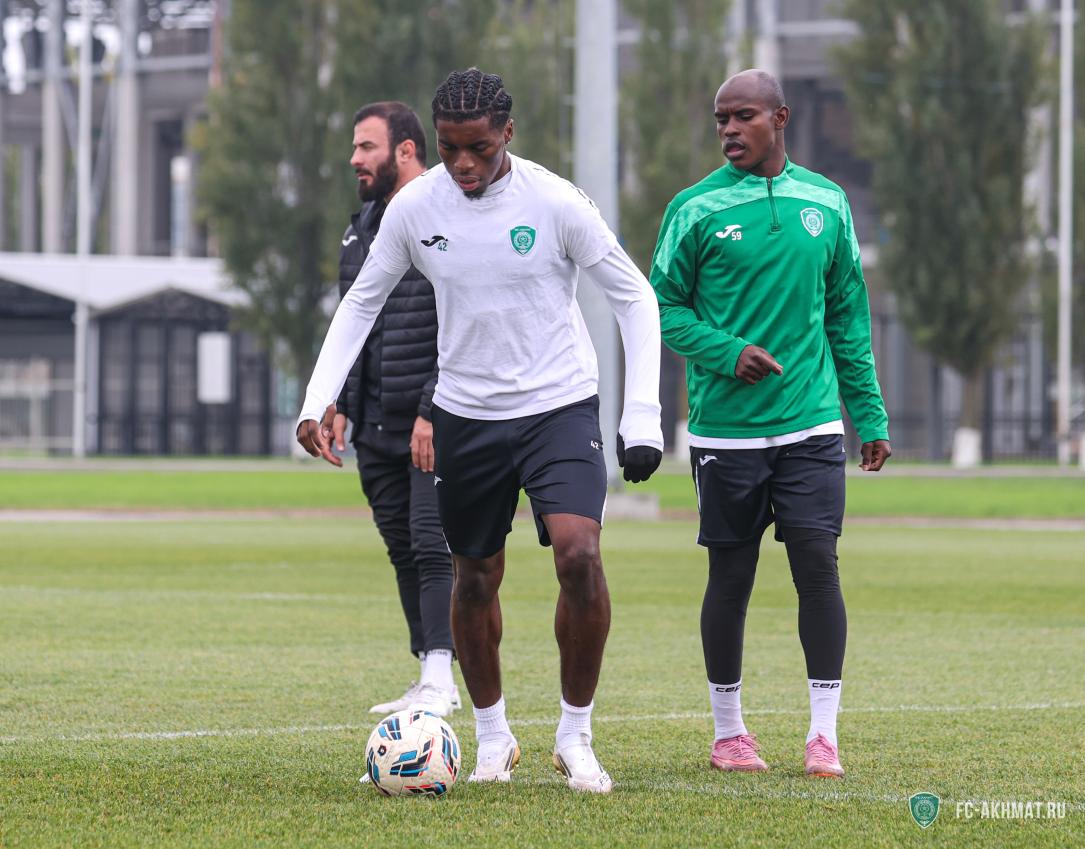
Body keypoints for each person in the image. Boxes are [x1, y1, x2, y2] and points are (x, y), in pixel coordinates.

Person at [298, 69, 664, 793]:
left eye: (480, 148)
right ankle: (494, 739)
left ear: (508, 134)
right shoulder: (414, 209)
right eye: (450, 148)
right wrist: (317, 399)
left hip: (558, 406)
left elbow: (634, 297)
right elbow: (361, 303)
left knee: (579, 555)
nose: (464, 164)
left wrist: (642, 414)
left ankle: (575, 736)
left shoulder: (555, 202)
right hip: (465, 414)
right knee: (472, 579)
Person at [650, 70, 891, 779]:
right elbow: (658, 307)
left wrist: (868, 413)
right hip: (725, 433)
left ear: (780, 118)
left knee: (818, 566)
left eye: (743, 116)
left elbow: (847, 315)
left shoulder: (828, 202)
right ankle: (730, 734)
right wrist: (727, 353)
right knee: (731, 576)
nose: (729, 129)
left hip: (811, 427)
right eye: (721, 118)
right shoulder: (693, 209)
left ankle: (824, 736)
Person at [324, 102, 461, 720]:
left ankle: (442, 675)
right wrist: (340, 401)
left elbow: (464, 322)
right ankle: (429, 670)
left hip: (432, 422)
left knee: (433, 544)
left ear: (406, 150)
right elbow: (354, 323)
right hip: (374, 425)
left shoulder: (445, 215)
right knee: (402, 547)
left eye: (366, 147)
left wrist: (432, 408)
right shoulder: (361, 227)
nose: (355, 158)